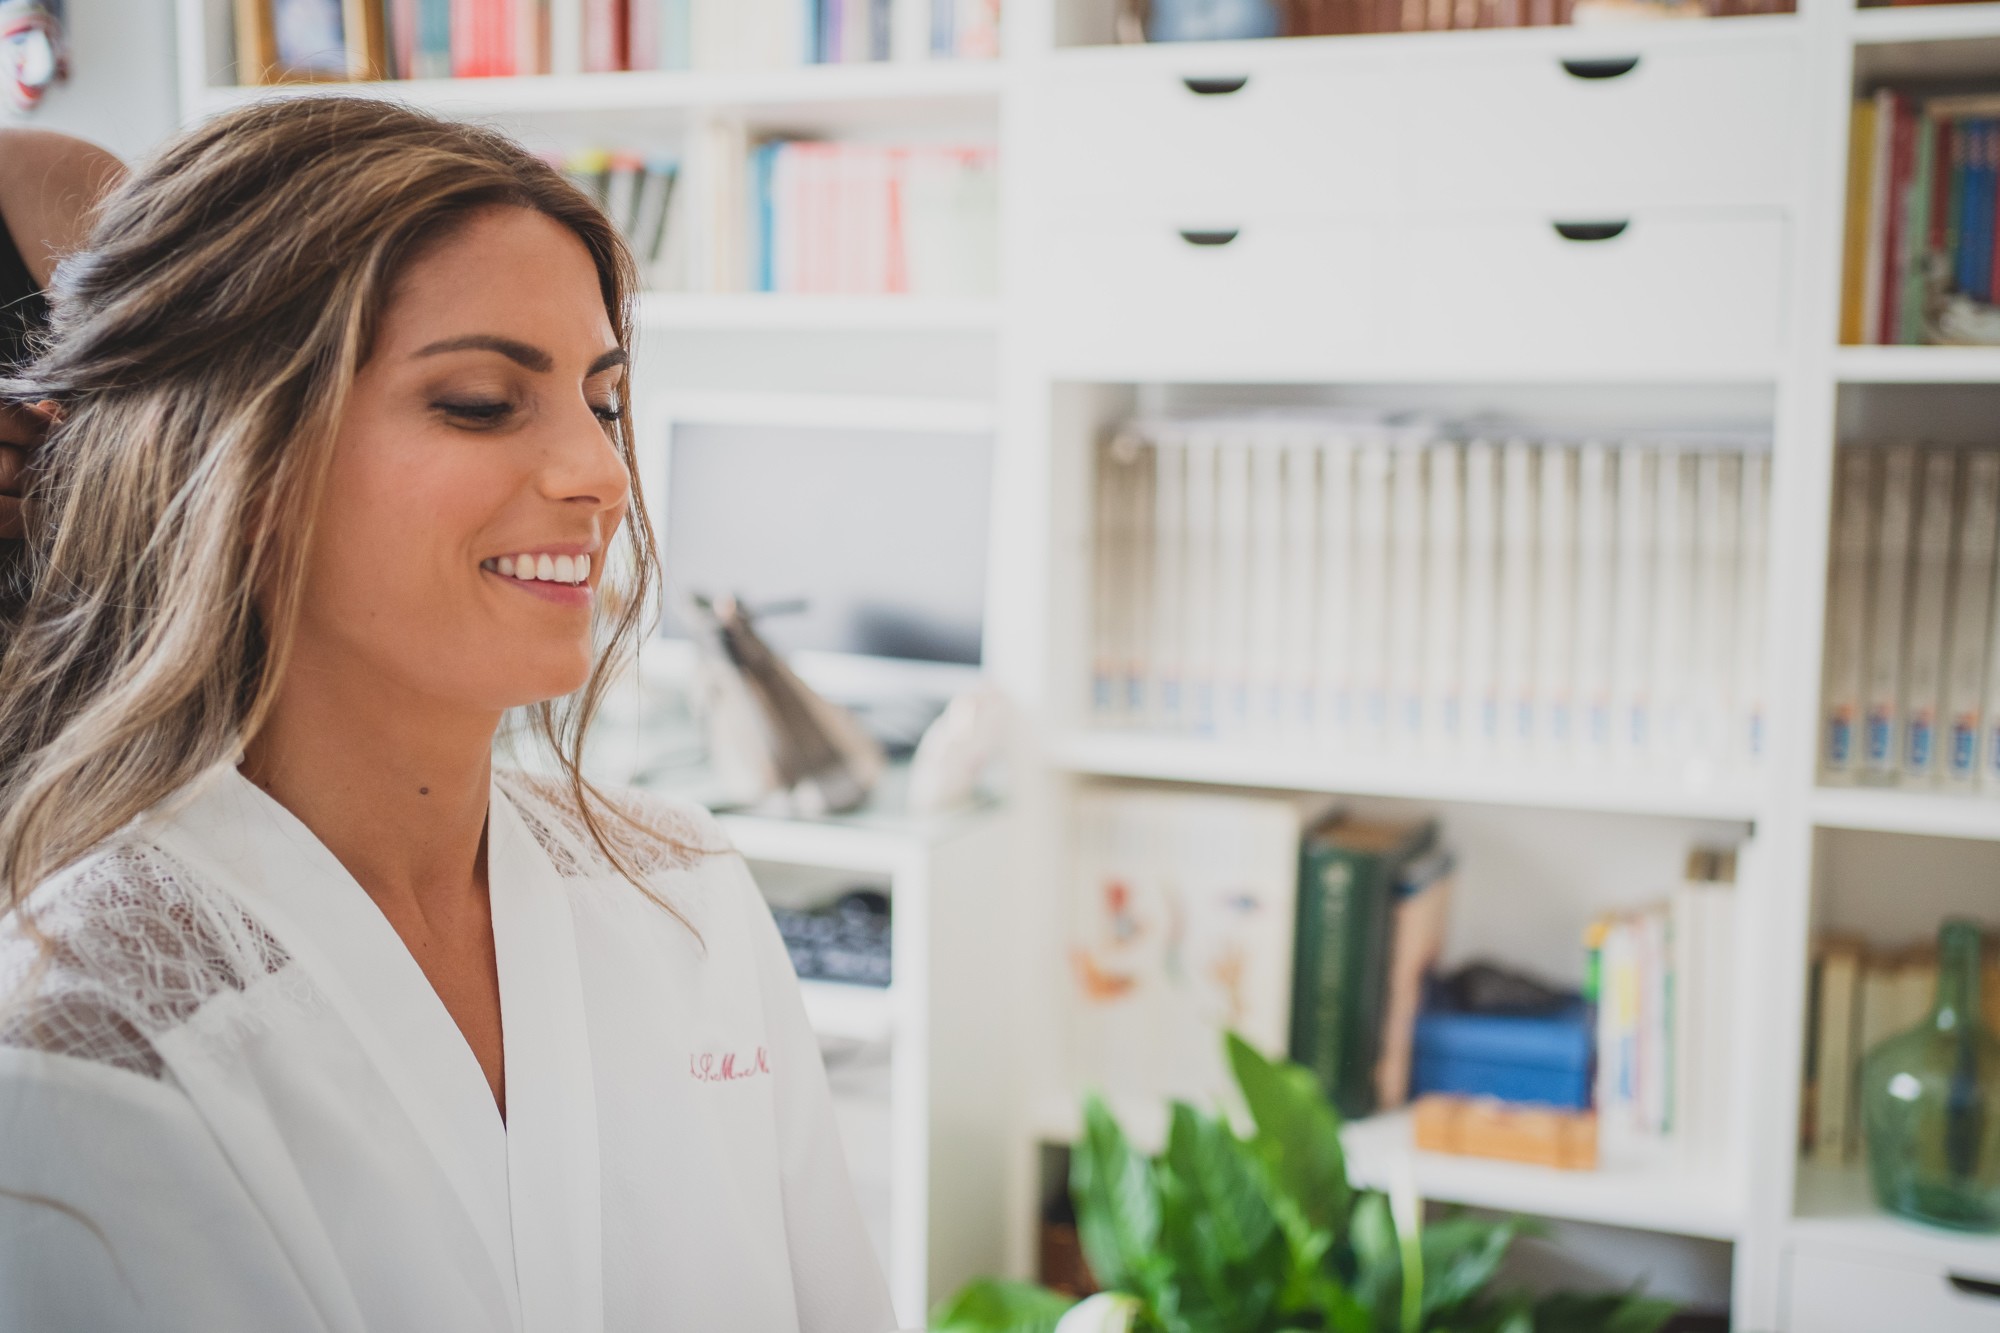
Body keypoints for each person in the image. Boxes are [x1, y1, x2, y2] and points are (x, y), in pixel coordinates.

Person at [0, 97, 896, 1333]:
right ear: (240, 461)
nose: (600, 474)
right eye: (480, 401)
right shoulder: (87, 1030)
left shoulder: (686, 892)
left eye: (604, 399)